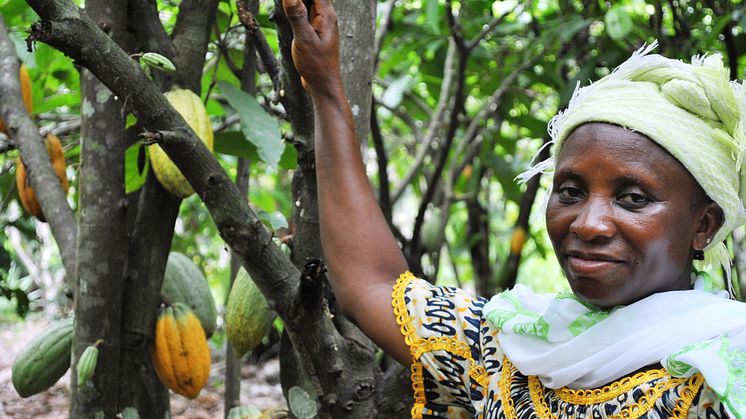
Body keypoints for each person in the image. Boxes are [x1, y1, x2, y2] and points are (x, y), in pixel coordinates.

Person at [282, 0, 746, 417]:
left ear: (703, 226)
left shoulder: (722, 374)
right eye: (570, 191)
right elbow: (371, 284)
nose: (589, 223)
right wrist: (325, 85)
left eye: (633, 199)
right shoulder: (513, 351)